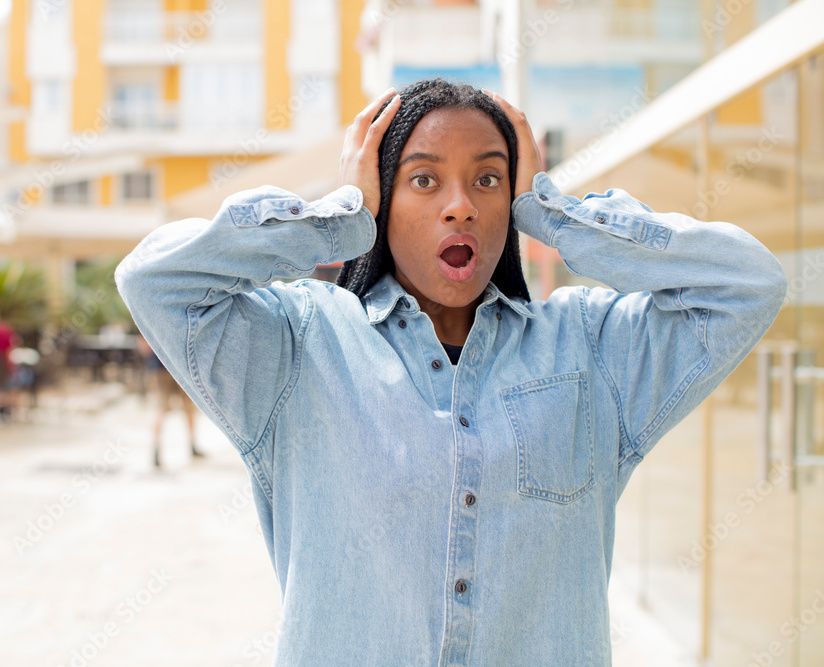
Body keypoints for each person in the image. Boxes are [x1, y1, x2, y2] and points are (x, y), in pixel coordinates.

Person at [114, 80, 787, 664]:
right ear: (383, 198)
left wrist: (559, 217)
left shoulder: (593, 350)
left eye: (489, 179)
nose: (460, 204)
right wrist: (337, 217)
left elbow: (748, 283)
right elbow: (155, 281)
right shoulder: (300, 345)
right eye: (424, 178)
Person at [136, 333, 204, 468]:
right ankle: (190, 446)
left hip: (167, 368)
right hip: (178, 366)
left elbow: (143, 347)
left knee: (165, 408)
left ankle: (160, 449)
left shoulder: (149, 313)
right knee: (182, 407)